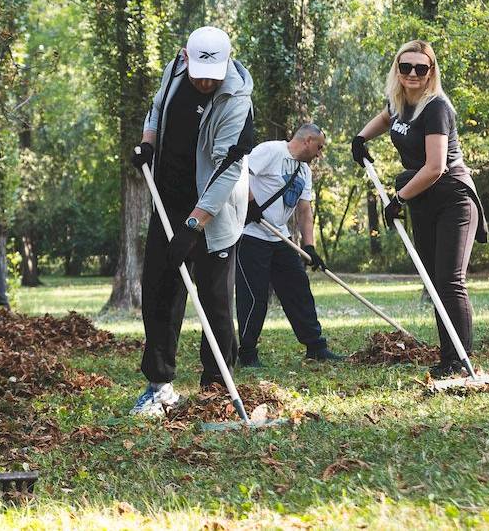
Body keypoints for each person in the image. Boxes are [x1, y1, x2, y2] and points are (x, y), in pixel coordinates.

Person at [128, 25, 255, 416]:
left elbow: (227, 170)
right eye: (199, 72)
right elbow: (156, 106)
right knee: (159, 292)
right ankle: (160, 386)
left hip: (214, 211)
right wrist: (149, 141)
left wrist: (194, 224)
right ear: (186, 56)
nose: (204, 82)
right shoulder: (175, 69)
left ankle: (217, 388)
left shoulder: (236, 99)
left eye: (212, 76)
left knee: (215, 300)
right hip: (167, 201)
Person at [350, 40, 487, 378]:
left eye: (421, 68)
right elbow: (385, 119)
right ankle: (448, 358)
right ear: (397, 70)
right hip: (423, 199)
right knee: (434, 282)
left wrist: (399, 199)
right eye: (406, 67)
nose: (413, 73)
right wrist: (361, 139)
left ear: (431, 72)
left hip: (453, 197)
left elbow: (435, 167)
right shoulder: (399, 103)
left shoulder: (436, 107)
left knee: (450, 280)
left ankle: (461, 361)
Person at [236, 123, 344, 367]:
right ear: (307, 140)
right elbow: (240, 173)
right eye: (319, 147)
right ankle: (247, 352)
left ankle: (315, 346)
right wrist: (250, 204)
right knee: (254, 296)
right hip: (251, 235)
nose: (319, 154)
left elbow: (305, 211)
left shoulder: (304, 172)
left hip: (280, 237)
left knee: (299, 290)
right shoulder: (272, 151)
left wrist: (310, 247)